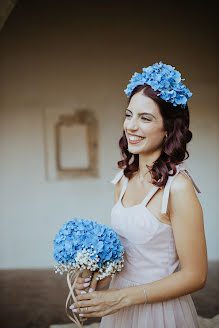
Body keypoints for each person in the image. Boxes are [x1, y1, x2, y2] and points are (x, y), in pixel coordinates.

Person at [71, 61, 208, 328]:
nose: (131, 126)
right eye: (129, 114)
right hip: (119, 313)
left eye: (145, 118)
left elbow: (196, 275)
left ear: (168, 128)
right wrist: (99, 280)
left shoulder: (178, 188)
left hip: (160, 314)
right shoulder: (122, 179)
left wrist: (122, 297)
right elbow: (130, 257)